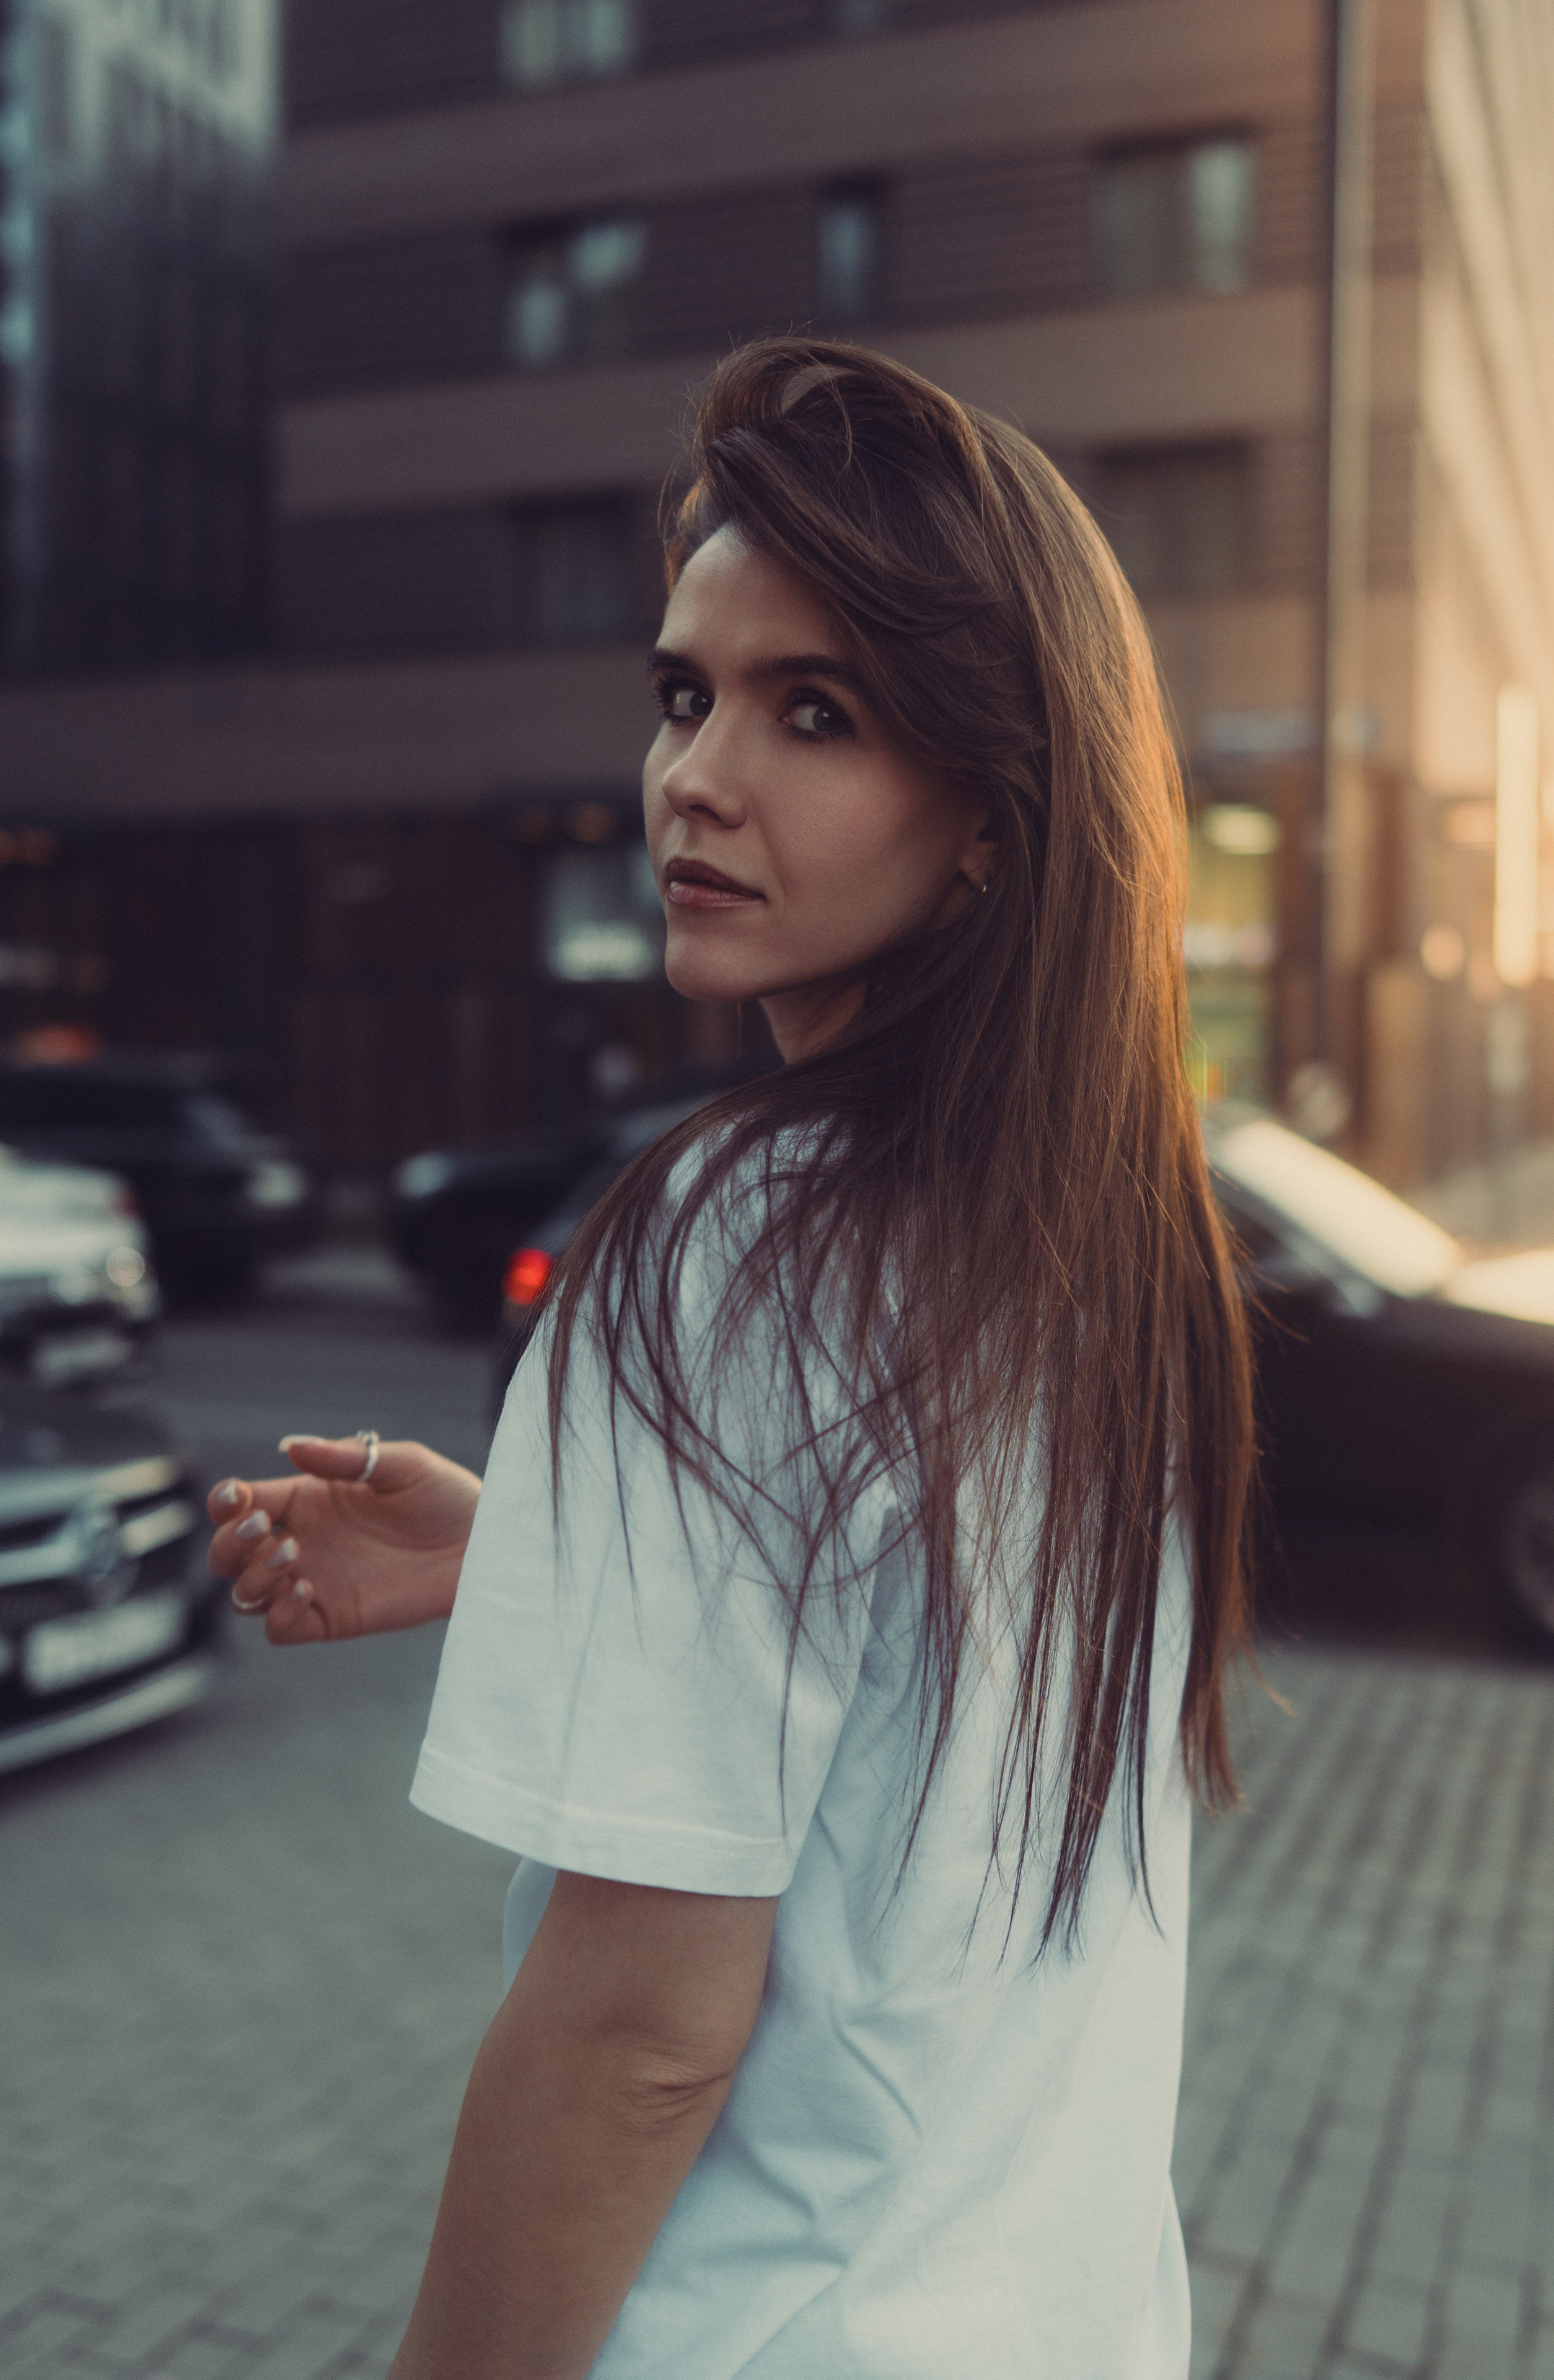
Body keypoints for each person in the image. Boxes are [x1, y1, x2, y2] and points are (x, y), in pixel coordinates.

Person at [206, 339, 1254, 2380]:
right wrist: (553, 1560)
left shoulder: (728, 1248)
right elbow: (906, 1711)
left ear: (985, 822)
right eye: (687, 693)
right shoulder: (1092, 1243)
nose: (698, 773)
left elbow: (637, 2036)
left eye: (818, 712)